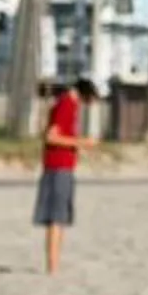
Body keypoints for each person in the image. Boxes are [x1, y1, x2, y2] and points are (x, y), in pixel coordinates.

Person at [35, 75, 97, 273]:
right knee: (56, 216)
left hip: (63, 167)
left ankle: (55, 264)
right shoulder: (67, 104)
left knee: (60, 217)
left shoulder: (66, 104)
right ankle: (52, 266)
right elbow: (52, 137)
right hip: (58, 166)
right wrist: (82, 143)